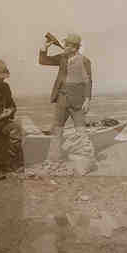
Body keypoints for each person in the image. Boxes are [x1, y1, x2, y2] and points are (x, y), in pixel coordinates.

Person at [38, 33, 93, 162]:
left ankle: (85, 160)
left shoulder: (85, 61)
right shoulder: (62, 58)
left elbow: (88, 81)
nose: (65, 46)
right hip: (61, 99)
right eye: (65, 44)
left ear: (74, 47)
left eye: (67, 44)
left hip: (78, 102)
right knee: (57, 131)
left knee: (81, 132)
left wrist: (87, 99)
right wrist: (44, 48)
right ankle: (54, 159)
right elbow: (43, 61)